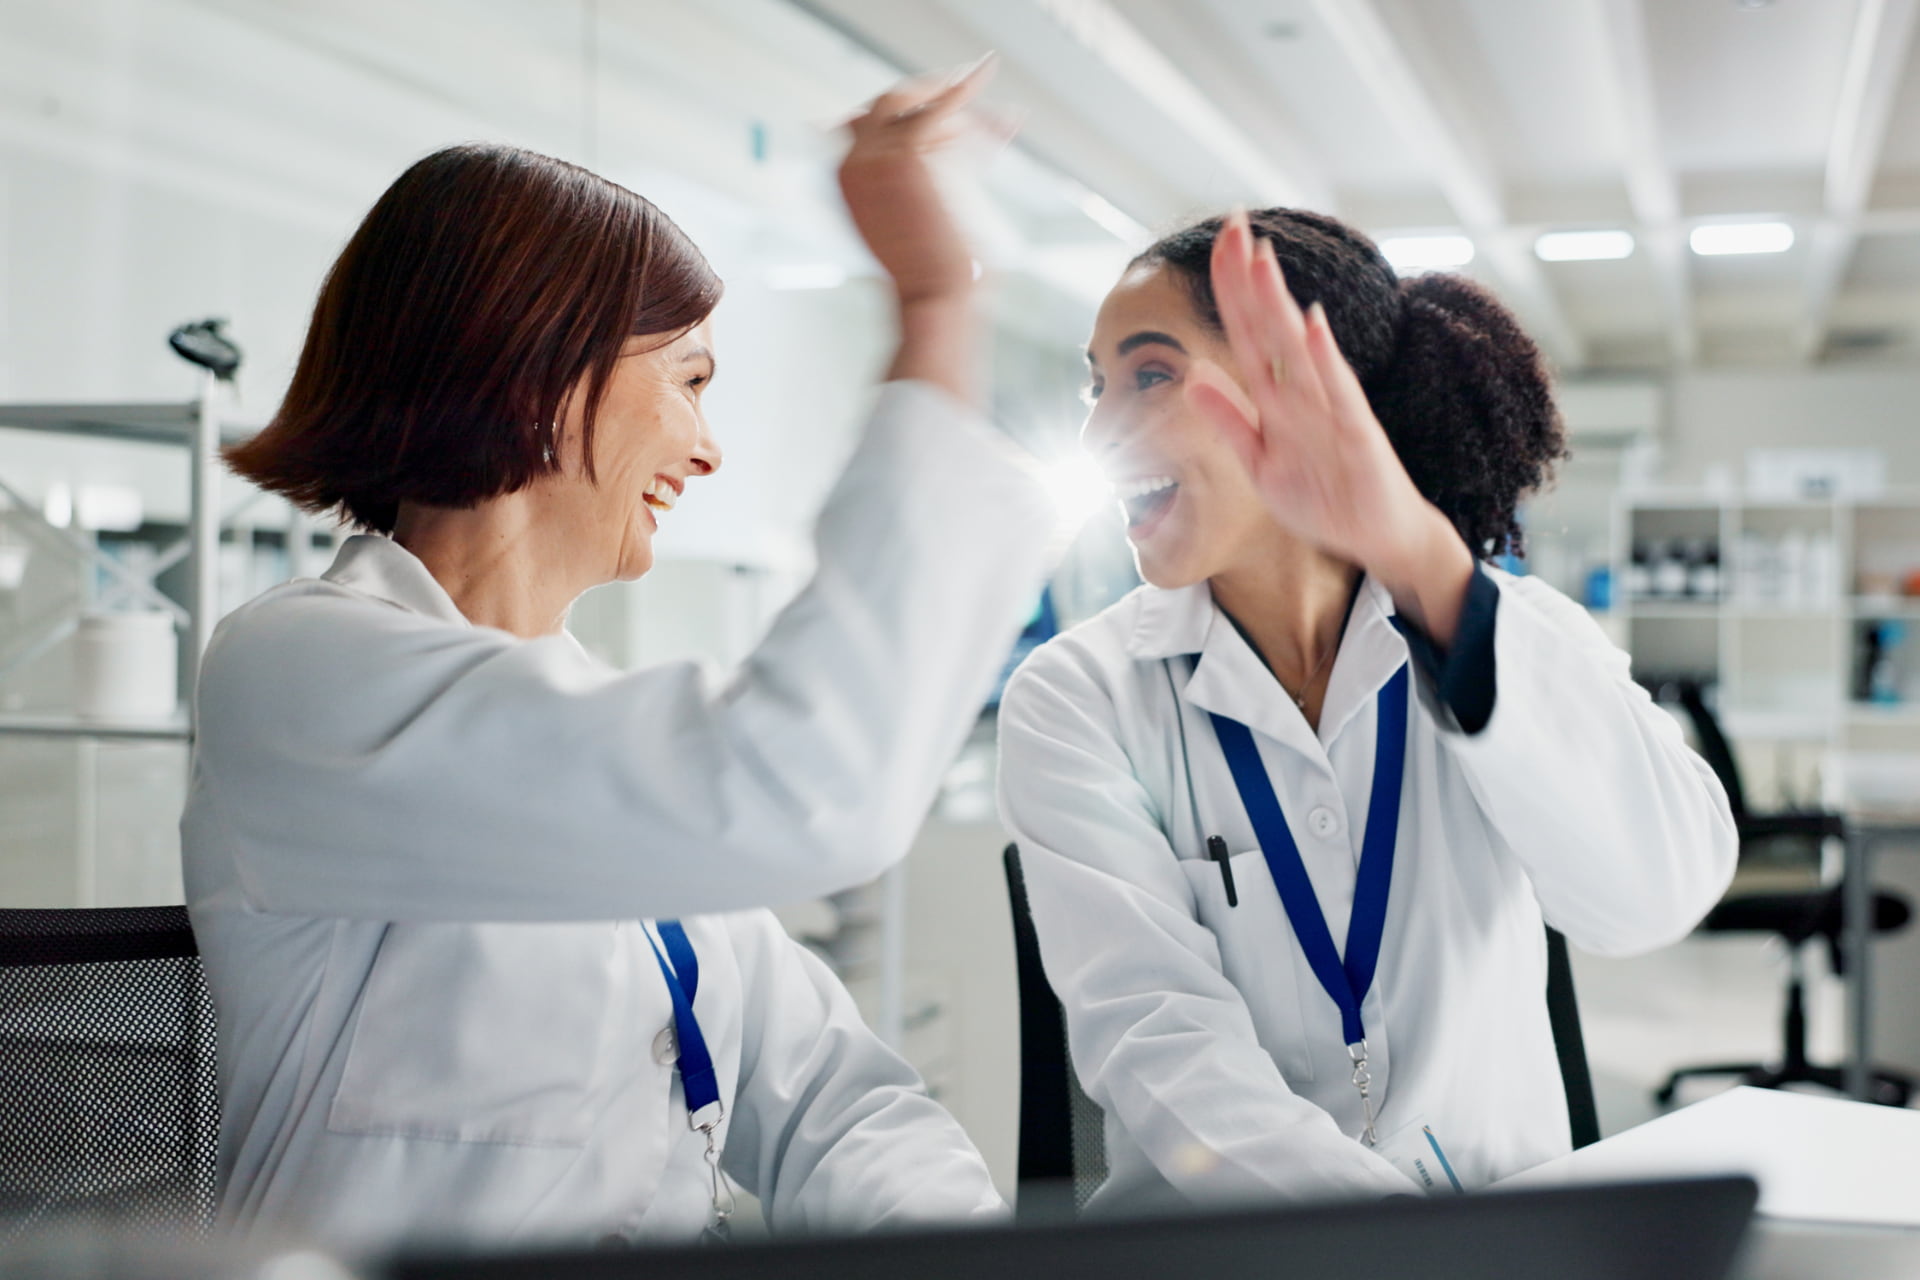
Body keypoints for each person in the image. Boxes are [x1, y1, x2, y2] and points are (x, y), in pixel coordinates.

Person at [183, 62, 1061, 1250]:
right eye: (688, 380)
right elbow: (806, 785)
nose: (706, 450)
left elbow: (831, 1099)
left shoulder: (592, 733)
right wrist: (935, 308)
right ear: (539, 373)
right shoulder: (300, 675)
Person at [996, 208, 1737, 1214]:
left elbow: (1659, 892)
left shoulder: (1505, 629)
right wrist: (1409, 1245)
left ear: (1310, 393)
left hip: (1497, 1238)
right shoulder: (1078, 694)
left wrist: (1428, 564)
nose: (1094, 430)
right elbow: (1162, 1043)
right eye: (1096, 385)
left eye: (1150, 374)